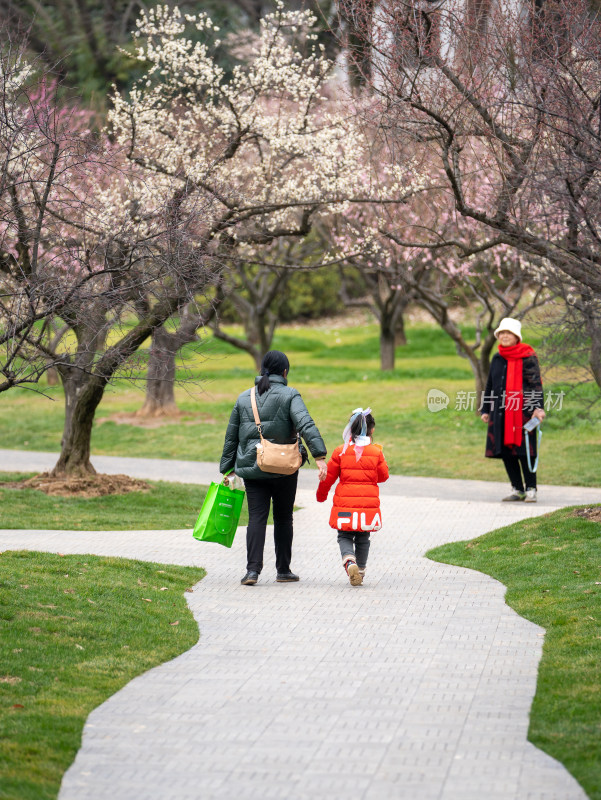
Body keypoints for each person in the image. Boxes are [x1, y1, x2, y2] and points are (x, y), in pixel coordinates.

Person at [220, 350, 328, 585]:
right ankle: (283, 570)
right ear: (285, 372)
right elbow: (306, 424)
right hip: (285, 468)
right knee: (283, 518)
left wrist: (227, 468)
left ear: (262, 370)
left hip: (253, 467)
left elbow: (231, 437)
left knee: (257, 517)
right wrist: (319, 456)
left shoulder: (244, 398)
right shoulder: (290, 395)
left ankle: (252, 571)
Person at [316, 408, 389, 586]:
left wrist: (321, 495)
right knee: (363, 537)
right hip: (367, 506)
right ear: (371, 430)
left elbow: (329, 477)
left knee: (344, 536)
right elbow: (383, 476)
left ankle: (350, 562)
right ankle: (361, 571)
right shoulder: (375, 452)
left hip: (345, 504)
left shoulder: (340, 451)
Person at [480, 317, 545, 502]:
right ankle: (517, 489)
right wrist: (486, 409)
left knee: (524, 451)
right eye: (502, 333)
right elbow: (490, 385)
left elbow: (536, 385)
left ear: (516, 336)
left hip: (524, 412)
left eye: (508, 333)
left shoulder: (528, 356)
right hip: (501, 413)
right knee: (505, 451)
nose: (504, 336)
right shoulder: (497, 358)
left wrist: (538, 408)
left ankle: (531, 489)